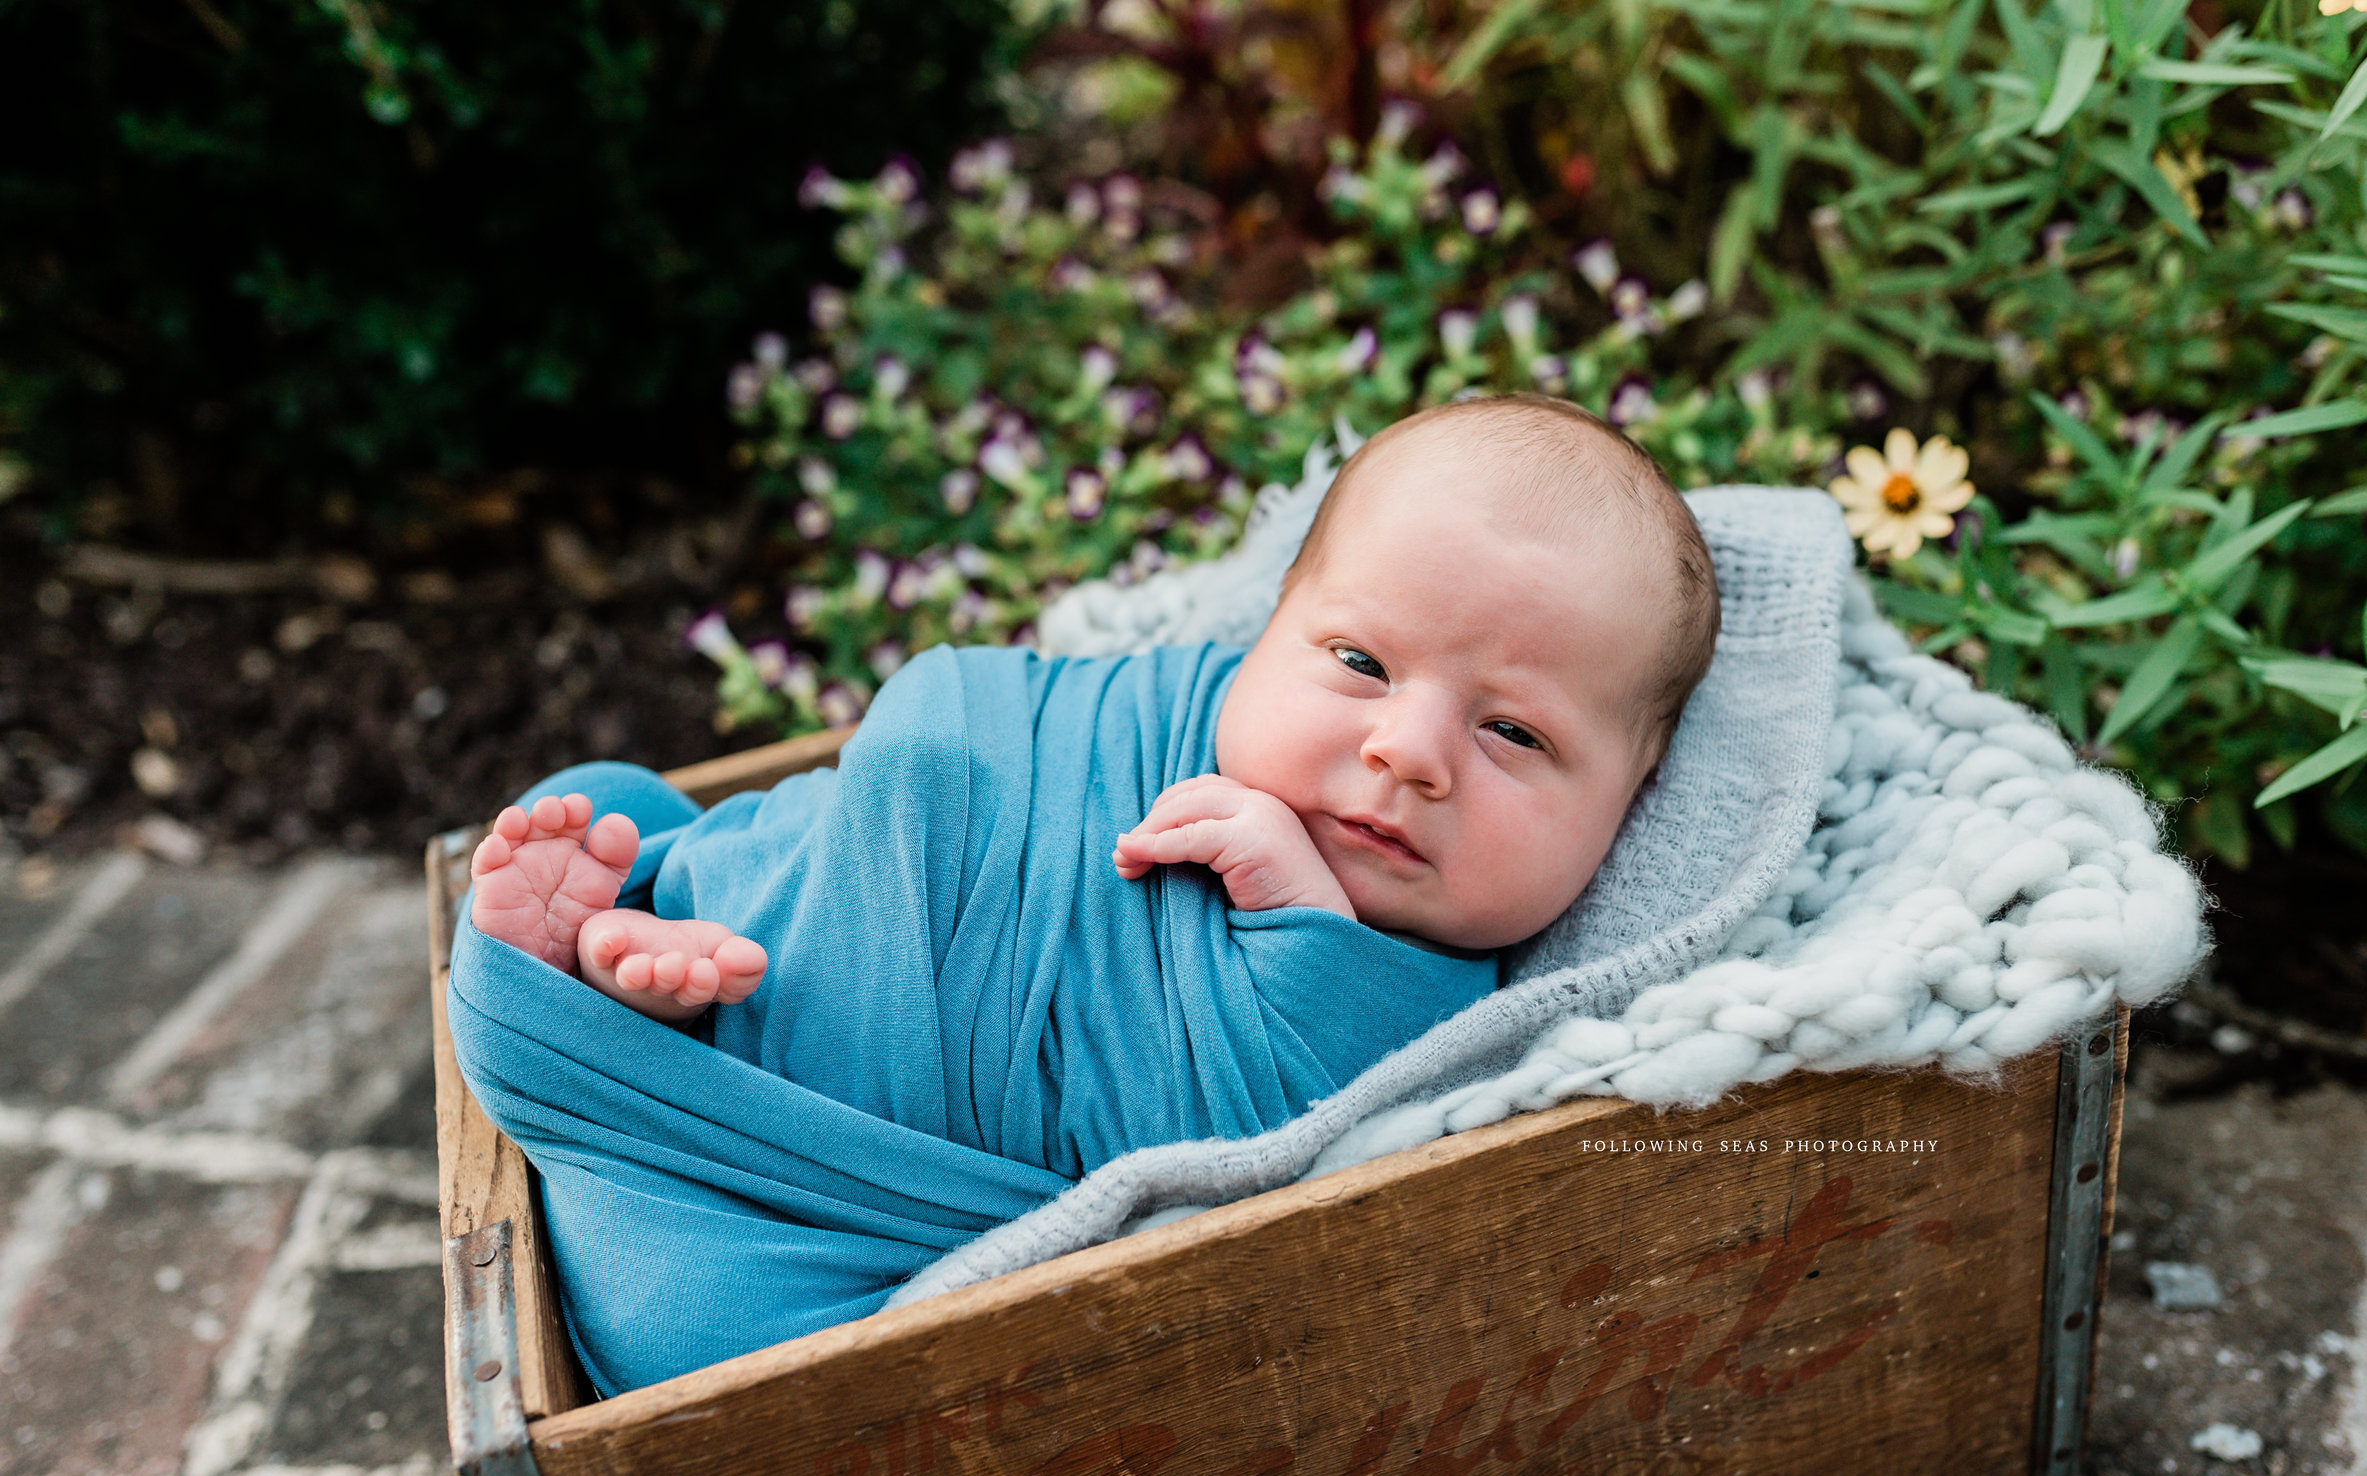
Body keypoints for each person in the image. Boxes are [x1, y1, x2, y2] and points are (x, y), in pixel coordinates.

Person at [447, 392, 1722, 1393]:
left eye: (1513, 734)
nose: (1407, 750)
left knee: (697, 1335)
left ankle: (662, 1024)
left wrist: (1304, 925)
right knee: (893, 779)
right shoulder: (1163, 716)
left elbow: (1256, 1153)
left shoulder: (1459, 993)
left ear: (1634, 788)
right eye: (1356, 659)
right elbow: (956, 749)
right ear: (1268, 626)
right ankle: (681, 917)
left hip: (856, 1152)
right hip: (887, 865)